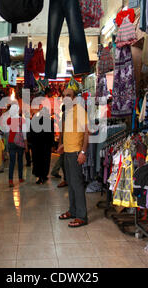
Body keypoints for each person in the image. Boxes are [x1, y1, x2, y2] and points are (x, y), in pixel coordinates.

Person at [58, 87, 89, 228]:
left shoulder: (80, 111)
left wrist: (83, 152)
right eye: (64, 96)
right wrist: (62, 144)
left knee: (77, 184)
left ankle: (81, 216)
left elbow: (87, 132)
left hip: (76, 152)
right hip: (67, 152)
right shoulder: (67, 112)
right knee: (70, 183)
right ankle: (73, 210)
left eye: (69, 95)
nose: (66, 98)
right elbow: (66, 130)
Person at [29, 105, 55, 185]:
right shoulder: (49, 121)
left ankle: (40, 176)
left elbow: (30, 133)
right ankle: (44, 175)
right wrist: (52, 145)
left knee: (38, 161)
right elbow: (51, 134)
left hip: (36, 145)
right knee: (45, 160)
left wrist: (30, 143)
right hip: (45, 145)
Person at [6, 103, 28, 188]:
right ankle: (20, 178)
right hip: (19, 143)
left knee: (12, 162)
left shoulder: (9, 120)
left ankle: (10, 180)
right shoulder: (21, 120)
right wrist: (26, 144)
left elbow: (7, 132)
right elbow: (24, 133)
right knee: (20, 161)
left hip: (11, 142)